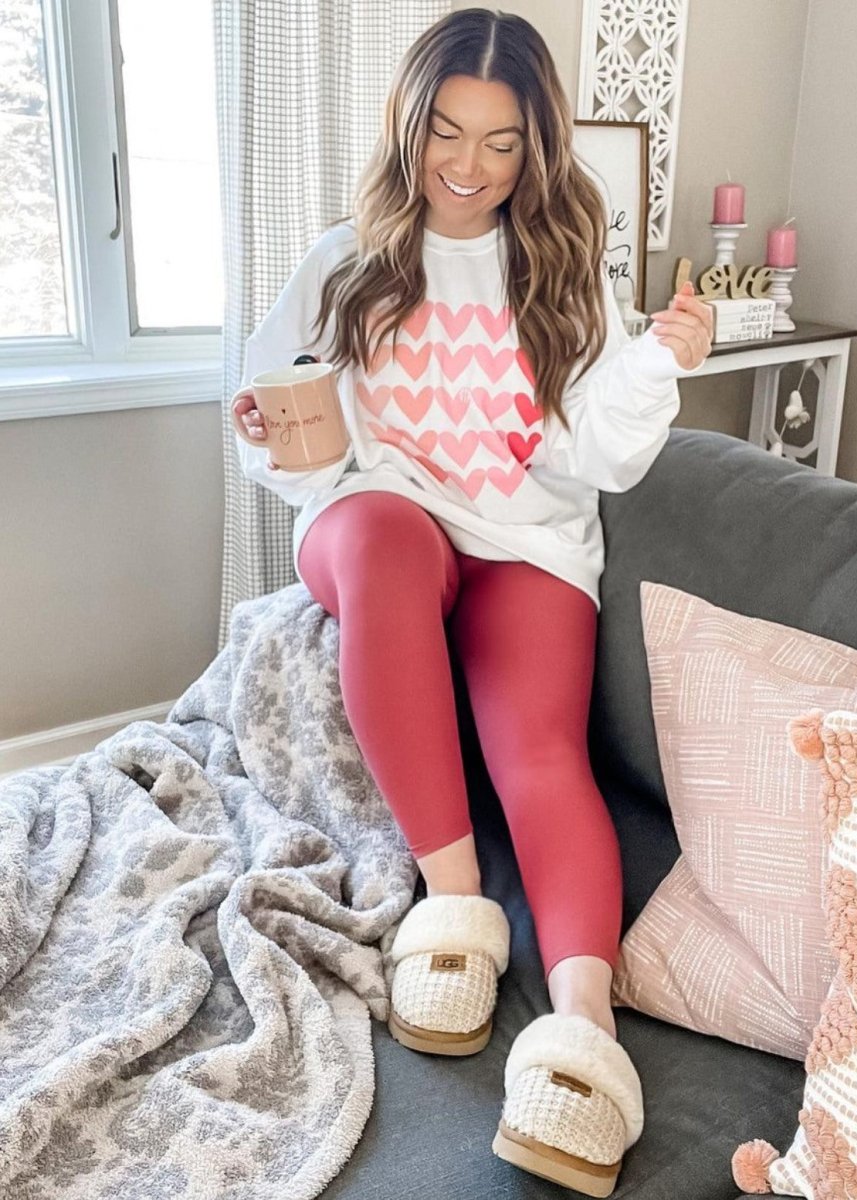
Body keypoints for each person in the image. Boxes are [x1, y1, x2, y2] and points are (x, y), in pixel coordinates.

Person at [232, 8, 712, 1196]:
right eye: (446, 132)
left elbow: (598, 455)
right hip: (374, 514)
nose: (468, 165)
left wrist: (659, 360)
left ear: (533, 148)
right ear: (409, 124)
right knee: (383, 542)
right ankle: (454, 913)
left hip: (523, 536)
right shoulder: (344, 259)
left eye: (501, 142)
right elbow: (289, 426)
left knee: (539, 751)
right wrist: (268, 432)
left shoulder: (559, 269)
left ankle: (582, 1028)